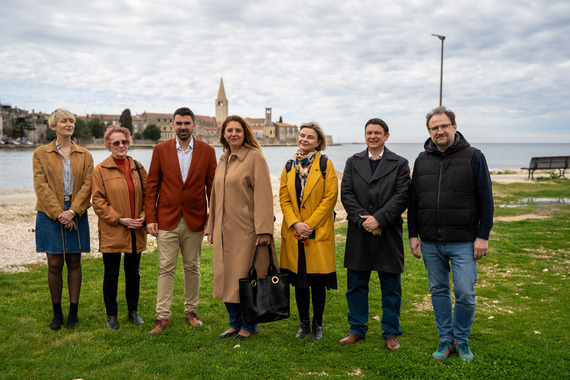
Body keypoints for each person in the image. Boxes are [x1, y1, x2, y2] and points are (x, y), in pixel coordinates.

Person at [408, 106, 494, 361]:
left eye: (444, 125)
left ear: (454, 127)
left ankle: (462, 340)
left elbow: (486, 200)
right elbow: (415, 200)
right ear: (429, 132)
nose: (440, 131)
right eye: (434, 127)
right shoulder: (422, 160)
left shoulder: (474, 156)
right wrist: (414, 234)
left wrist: (483, 236)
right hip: (431, 241)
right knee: (439, 291)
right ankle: (446, 340)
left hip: (464, 241)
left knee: (465, 293)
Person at [339, 118, 410, 350]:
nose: (372, 136)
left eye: (377, 133)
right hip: (359, 232)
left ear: (386, 136)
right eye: (369, 132)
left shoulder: (399, 163)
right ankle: (357, 329)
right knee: (356, 285)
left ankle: (391, 332)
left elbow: (402, 195)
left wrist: (379, 219)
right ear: (365, 135)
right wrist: (366, 222)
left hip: (387, 232)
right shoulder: (352, 162)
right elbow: (347, 195)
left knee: (391, 288)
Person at [205, 115, 277, 341]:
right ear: (223, 134)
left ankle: (249, 325)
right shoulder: (224, 159)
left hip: (247, 231)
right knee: (227, 278)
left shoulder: (255, 158)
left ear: (245, 133)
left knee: (246, 278)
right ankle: (234, 323)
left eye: (237, 130)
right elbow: (215, 196)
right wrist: (211, 228)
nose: (233, 134)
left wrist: (264, 229)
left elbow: (264, 195)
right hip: (224, 231)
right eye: (229, 131)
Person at [145, 107, 217, 335]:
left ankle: (191, 311)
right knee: (165, 267)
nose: (183, 127)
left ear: (194, 125)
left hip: (196, 219)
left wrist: (211, 220)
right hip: (167, 219)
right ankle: (162, 317)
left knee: (192, 267)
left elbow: (212, 188)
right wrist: (150, 218)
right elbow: (152, 186)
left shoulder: (207, 151)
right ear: (174, 125)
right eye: (179, 123)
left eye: (187, 123)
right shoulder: (160, 149)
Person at [33, 108, 93, 330]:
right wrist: (60, 213)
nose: (70, 124)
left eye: (72, 121)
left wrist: (73, 211)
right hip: (50, 213)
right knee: (55, 264)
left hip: (77, 210)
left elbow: (88, 185)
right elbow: (41, 186)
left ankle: (73, 314)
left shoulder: (85, 154)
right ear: (53, 126)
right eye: (65, 121)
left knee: (75, 261)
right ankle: (57, 313)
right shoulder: (40, 153)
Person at [279, 122, 338, 341]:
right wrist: (296, 224)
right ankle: (303, 324)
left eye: (309, 137)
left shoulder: (326, 164)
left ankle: (317, 325)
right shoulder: (288, 166)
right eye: (302, 135)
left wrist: (309, 224)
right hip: (295, 234)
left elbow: (330, 198)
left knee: (317, 282)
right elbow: (284, 199)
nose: (304, 140)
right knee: (300, 282)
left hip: (318, 232)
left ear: (318, 142)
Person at [92, 124, 147, 330]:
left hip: (136, 229)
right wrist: (120, 219)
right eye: (116, 143)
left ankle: (133, 311)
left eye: (124, 142)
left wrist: (143, 217)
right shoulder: (100, 170)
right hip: (113, 228)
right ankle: (111, 315)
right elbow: (98, 201)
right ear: (108, 145)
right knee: (111, 273)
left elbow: (150, 196)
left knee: (133, 272)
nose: (121, 145)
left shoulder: (139, 167)